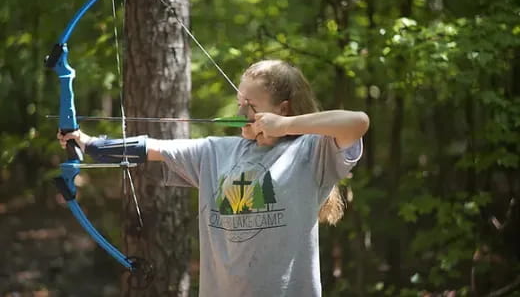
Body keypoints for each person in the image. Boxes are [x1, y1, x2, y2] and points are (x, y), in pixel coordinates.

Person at [58, 60, 369, 297]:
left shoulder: (312, 151)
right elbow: (151, 148)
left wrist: (287, 126)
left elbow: (357, 122)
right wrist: (88, 142)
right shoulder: (215, 151)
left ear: (281, 109)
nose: (241, 112)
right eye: (240, 104)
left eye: (252, 106)